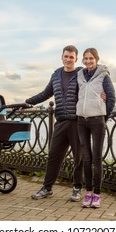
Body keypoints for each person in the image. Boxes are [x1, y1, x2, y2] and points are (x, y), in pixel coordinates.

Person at [26, 45, 84, 202]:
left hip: (77, 123)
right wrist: (28, 103)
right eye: (66, 56)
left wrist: (104, 95)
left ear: (76, 59)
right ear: (62, 57)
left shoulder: (82, 74)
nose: (68, 59)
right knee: (53, 156)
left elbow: (94, 88)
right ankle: (47, 188)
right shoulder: (56, 75)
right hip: (61, 122)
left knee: (78, 158)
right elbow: (45, 93)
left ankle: (77, 189)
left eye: (71, 57)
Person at [76, 47, 116, 208]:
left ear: (96, 59)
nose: (88, 61)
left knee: (97, 159)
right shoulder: (80, 75)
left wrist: (103, 116)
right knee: (86, 158)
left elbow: (111, 98)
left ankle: (97, 195)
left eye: (91, 58)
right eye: (85, 58)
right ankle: (88, 193)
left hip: (97, 120)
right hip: (81, 120)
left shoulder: (104, 76)